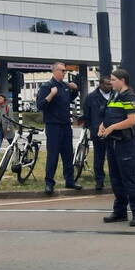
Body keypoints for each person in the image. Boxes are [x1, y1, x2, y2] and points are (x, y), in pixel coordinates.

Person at [97, 68, 135, 226]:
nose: (111, 82)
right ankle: (120, 212)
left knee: (130, 180)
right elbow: (110, 116)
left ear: (122, 80)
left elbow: (132, 120)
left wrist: (112, 128)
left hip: (126, 144)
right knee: (116, 180)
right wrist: (102, 126)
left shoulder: (129, 96)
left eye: (113, 79)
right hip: (113, 143)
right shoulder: (114, 95)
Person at [35, 62, 82, 195]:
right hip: (53, 125)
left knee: (68, 154)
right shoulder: (47, 86)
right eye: (63, 70)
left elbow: (68, 100)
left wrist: (75, 89)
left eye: (65, 71)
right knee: (53, 155)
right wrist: (51, 95)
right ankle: (49, 183)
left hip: (66, 124)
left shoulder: (64, 86)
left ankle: (70, 180)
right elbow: (40, 106)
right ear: (55, 71)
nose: (65, 73)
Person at [81, 76, 113, 192]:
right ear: (100, 85)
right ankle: (99, 180)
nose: (110, 86)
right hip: (97, 132)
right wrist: (92, 127)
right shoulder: (91, 97)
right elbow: (87, 114)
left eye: (111, 84)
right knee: (99, 157)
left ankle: (114, 180)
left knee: (112, 157)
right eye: (107, 84)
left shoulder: (115, 96)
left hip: (113, 131)